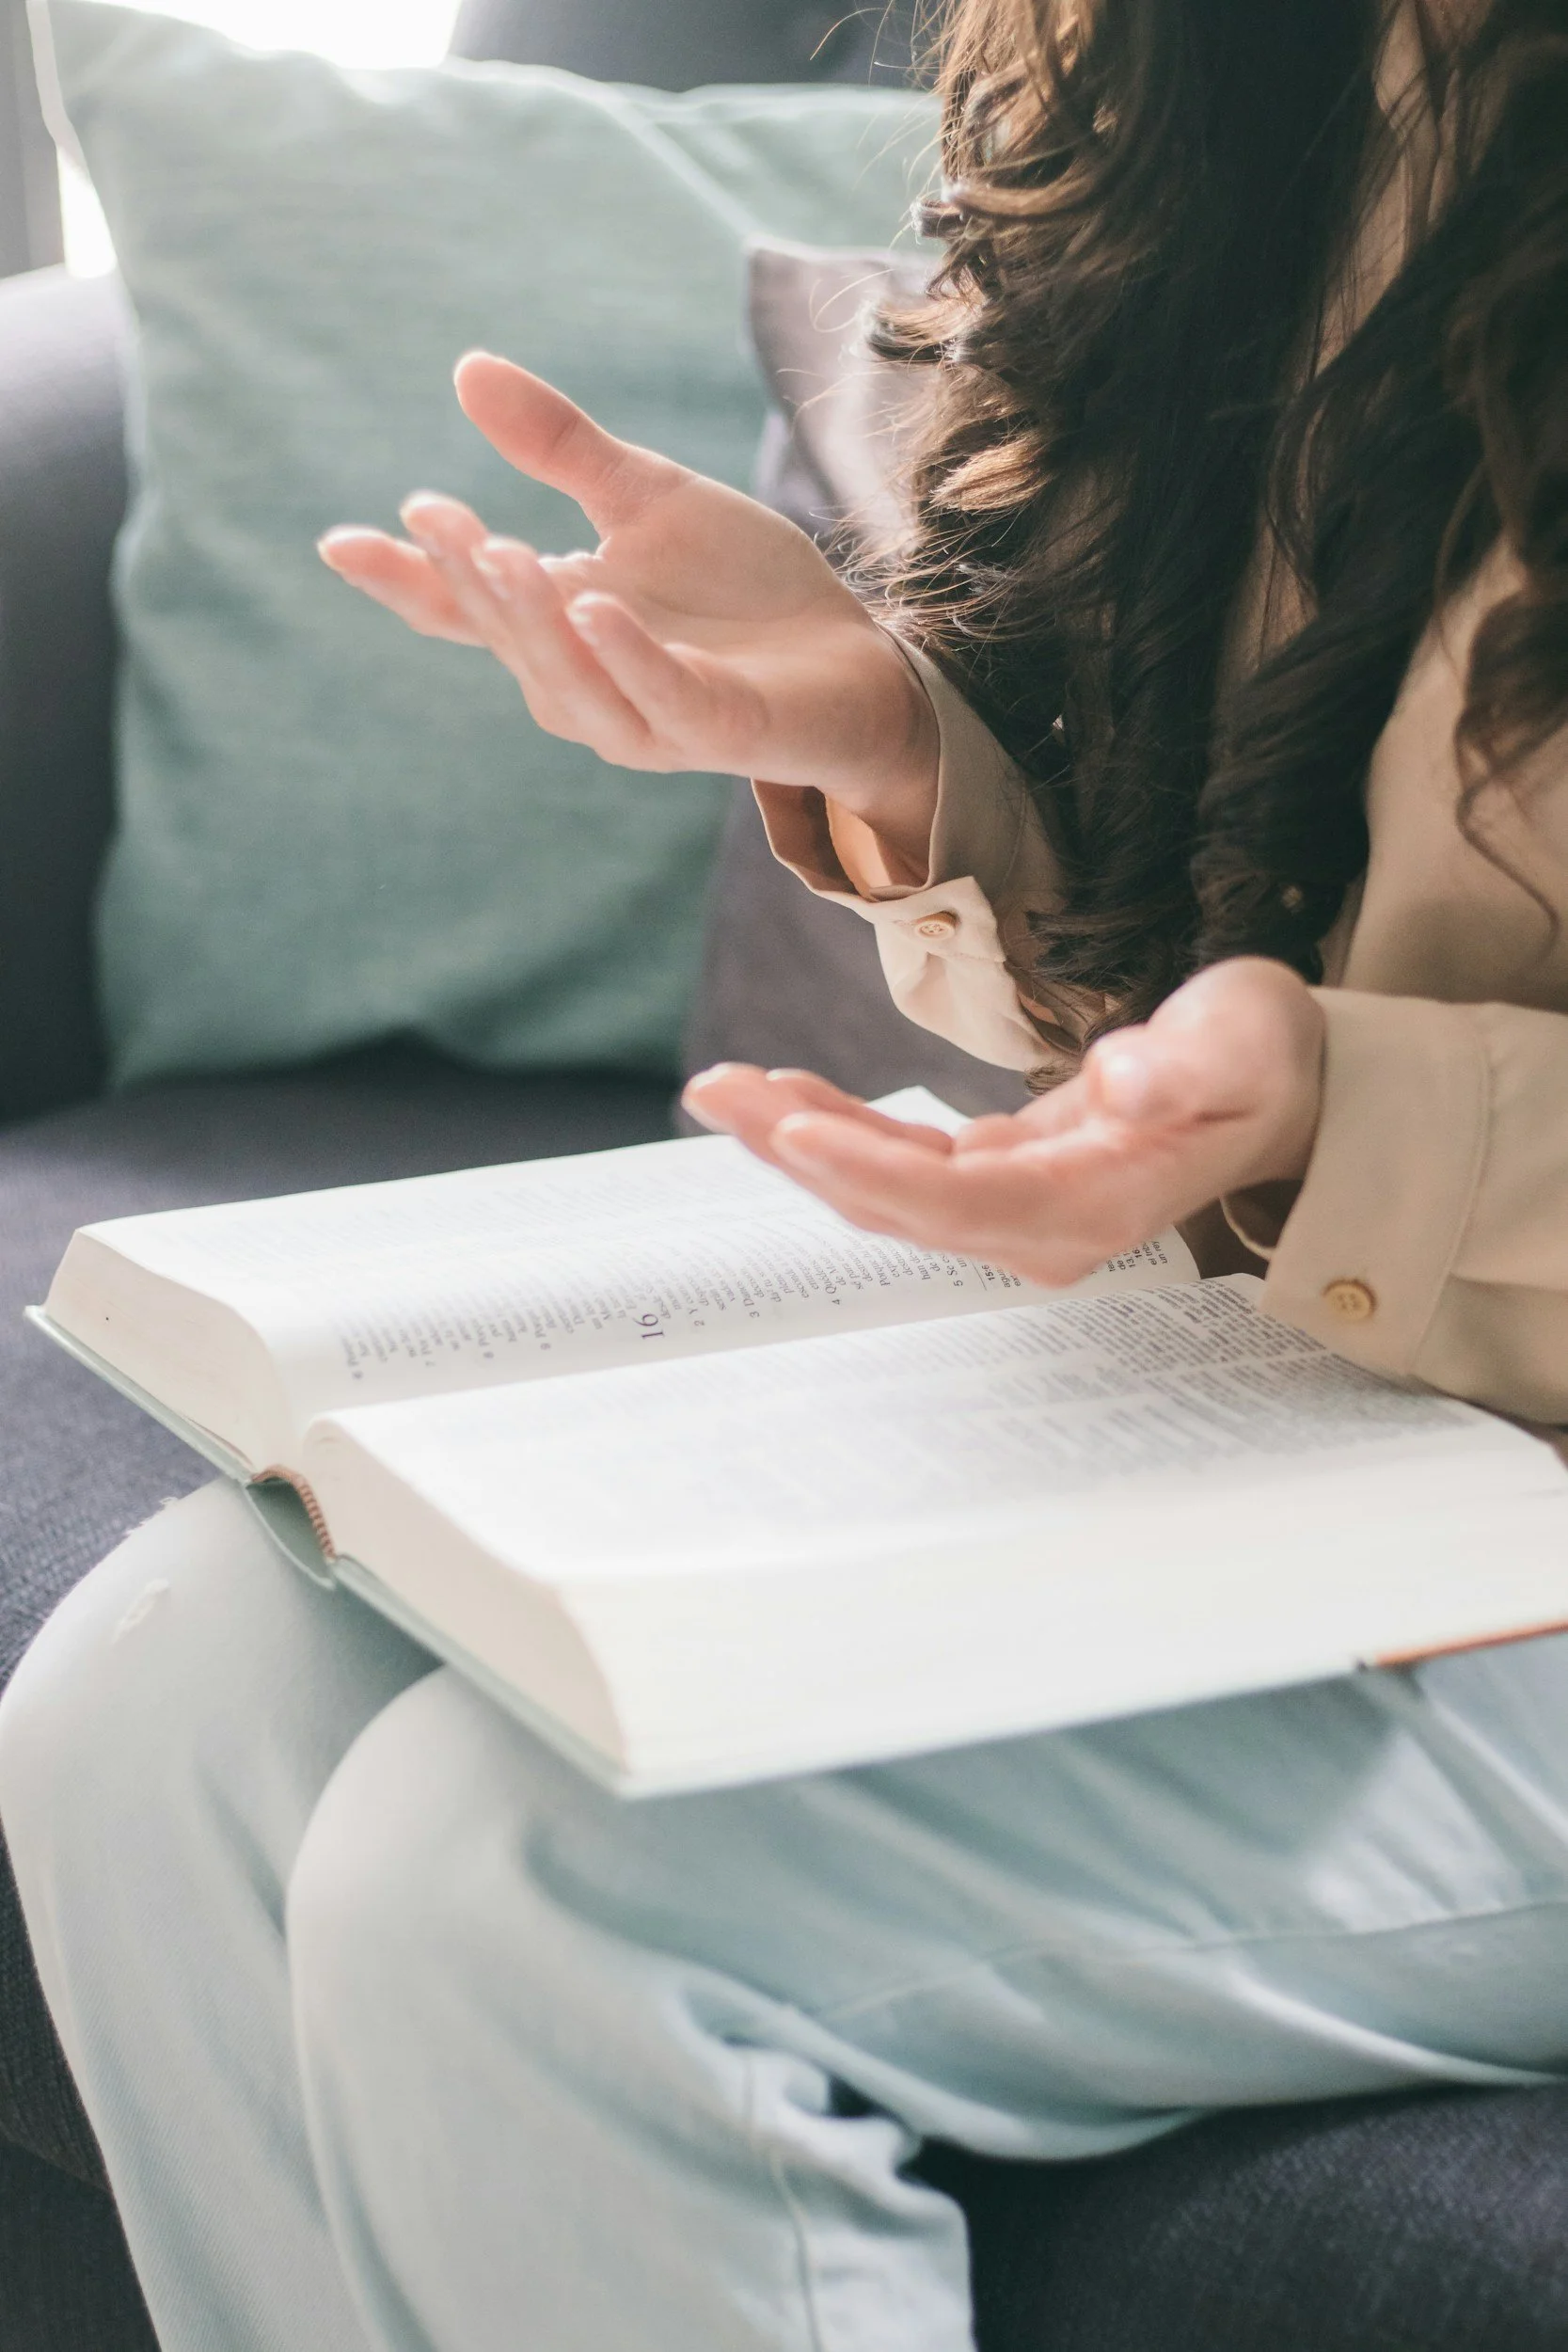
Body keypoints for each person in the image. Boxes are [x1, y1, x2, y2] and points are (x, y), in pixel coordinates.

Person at [3, 2, 1566, 2345]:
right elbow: (1236, 877)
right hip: (1335, 1396)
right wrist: (882, 728)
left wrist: (1355, 1111)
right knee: (150, 1706)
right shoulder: (1241, 80)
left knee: (525, 1900)